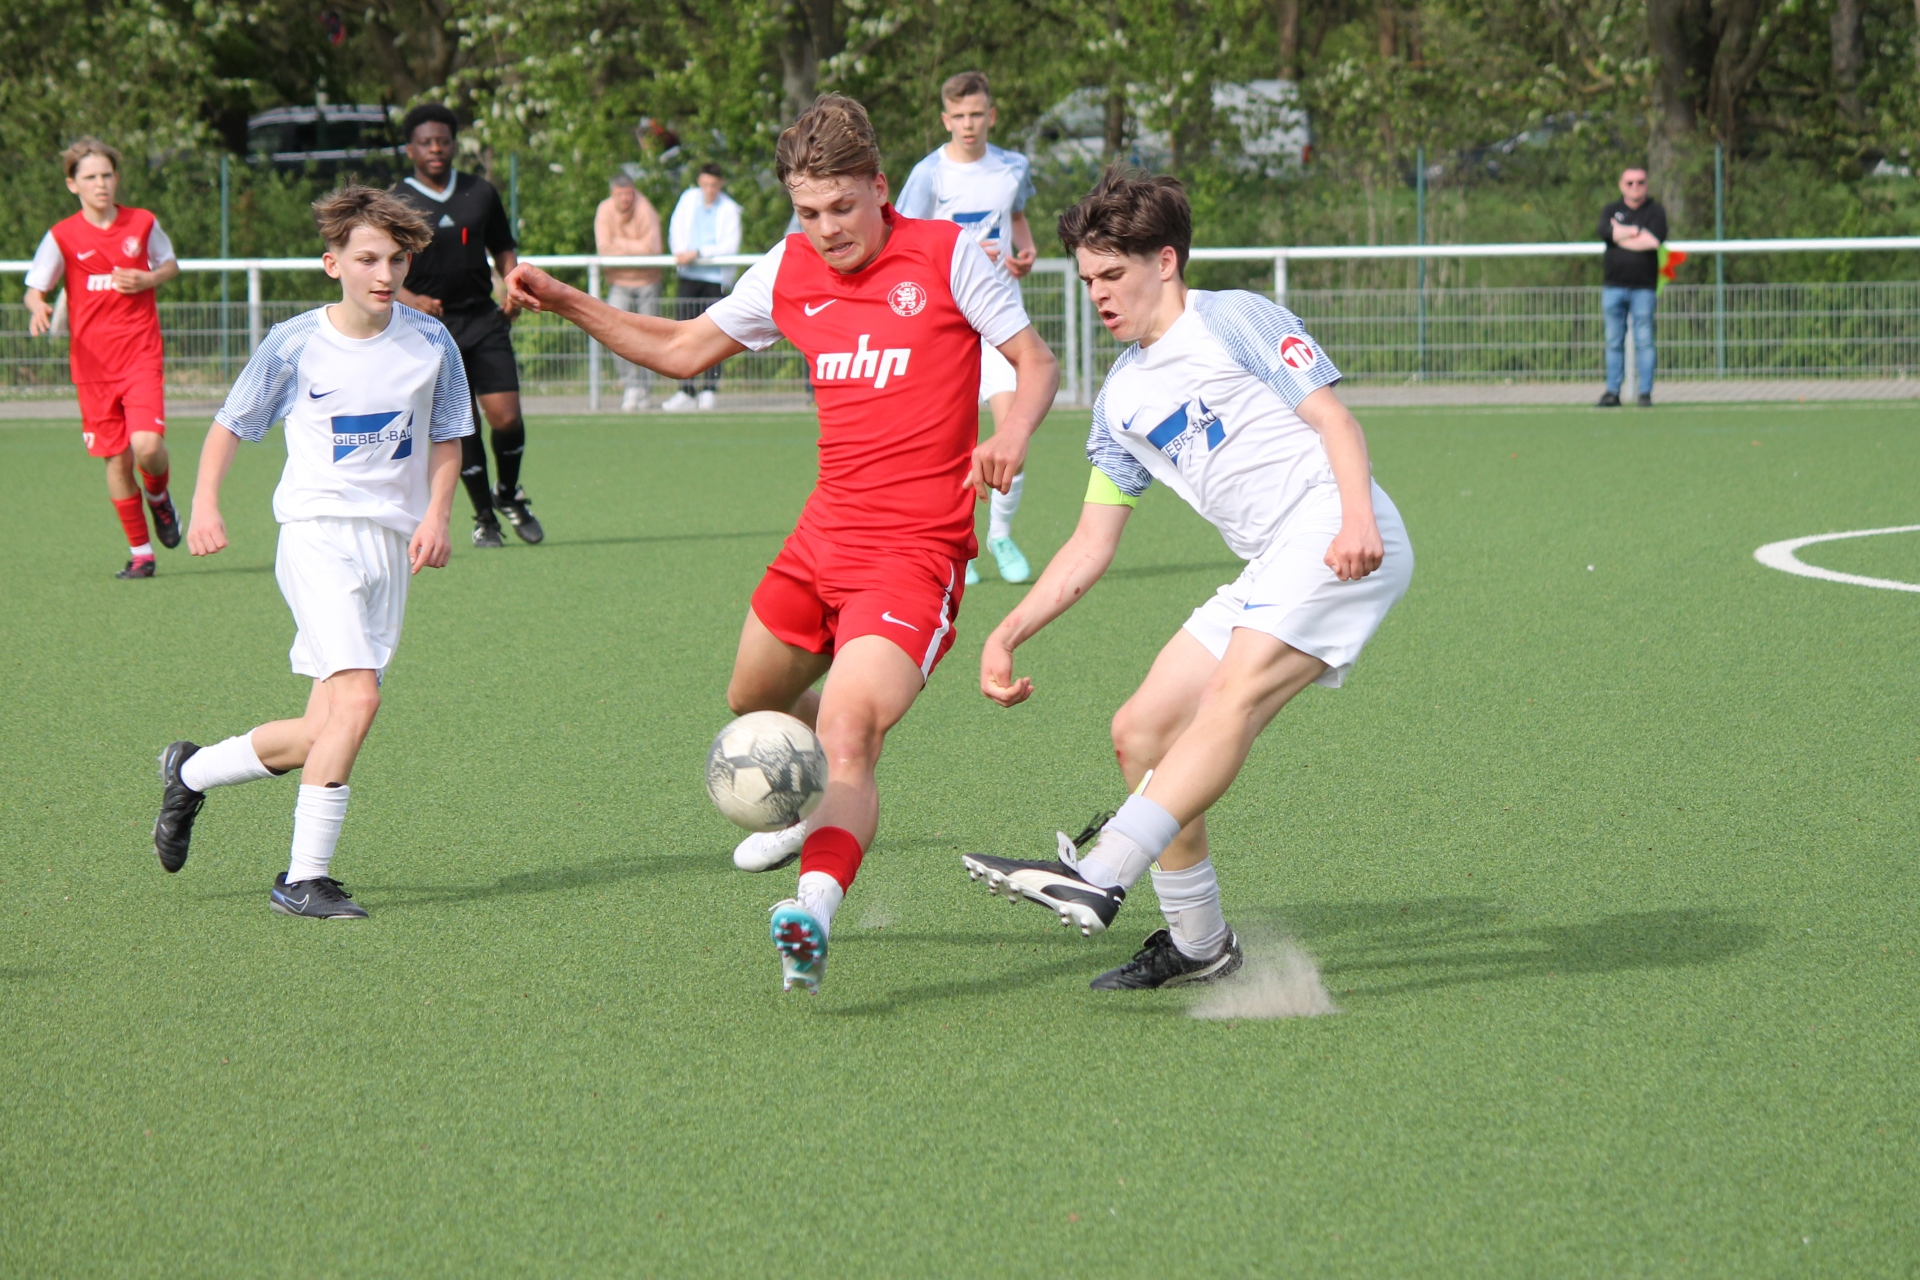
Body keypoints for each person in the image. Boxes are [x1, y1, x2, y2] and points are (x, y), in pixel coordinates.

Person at [505, 94, 1059, 991]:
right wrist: (567, 300)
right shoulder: (788, 268)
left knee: (848, 733)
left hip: (913, 555)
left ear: (881, 188)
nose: (828, 228)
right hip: (820, 540)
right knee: (753, 704)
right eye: (808, 211)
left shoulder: (948, 255)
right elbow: (682, 350)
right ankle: (806, 808)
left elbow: (1035, 361)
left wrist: (1015, 431)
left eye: (843, 206)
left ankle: (813, 911)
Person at [960, 170, 1413, 991]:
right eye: (1087, 279)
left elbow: (1334, 419)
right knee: (1142, 732)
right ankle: (1201, 944)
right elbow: (1091, 542)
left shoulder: (1232, 317)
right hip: (1270, 561)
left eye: (1112, 274)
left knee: (1231, 696)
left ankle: (1102, 870)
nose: (1098, 295)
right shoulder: (1119, 401)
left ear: (1164, 262)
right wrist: (1008, 629)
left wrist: (1357, 517)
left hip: (1331, 525)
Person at [150, 187, 470, 918]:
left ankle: (191, 772)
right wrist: (205, 504)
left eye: (396, 259)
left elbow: (449, 433)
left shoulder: (431, 341)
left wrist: (439, 515)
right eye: (367, 259)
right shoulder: (296, 341)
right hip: (317, 535)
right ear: (333, 264)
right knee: (360, 699)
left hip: (391, 545)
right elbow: (232, 422)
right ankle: (302, 879)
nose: (384, 274)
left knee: (325, 728)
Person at [896, 71, 1039, 588]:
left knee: (1011, 435)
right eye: (958, 116)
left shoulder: (1012, 167)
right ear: (945, 120)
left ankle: (1000, 535)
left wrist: (1025, 250)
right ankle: (959, 544)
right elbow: (903, 242)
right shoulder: (928, 174)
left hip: (1000, 323)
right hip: (947, 328)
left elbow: (1016, 216)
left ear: (991, 115)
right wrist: (958, 253)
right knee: (949, 447)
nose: (969, 124)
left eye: (977, 114)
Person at [23, 138, 182, 579]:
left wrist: (147, 278)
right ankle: (141, 554)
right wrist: (38, 306)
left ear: (116, 178)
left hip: (140, 355)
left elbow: (170, 264)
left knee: (147, 446)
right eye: (90, 177)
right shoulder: (62, 235)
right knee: (117, 460)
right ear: (72, 184)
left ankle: (159, 497)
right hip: (92, 367)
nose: (101, 184)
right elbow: (35, 288)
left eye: (107, 175)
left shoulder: (142, 222)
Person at [389, 103, 542, 546]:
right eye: (426, 142)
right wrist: (409, 299)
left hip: (483, 319)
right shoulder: (396, 201)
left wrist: (513, 286)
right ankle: (484, 519)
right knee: (463, 423)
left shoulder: (480, 191)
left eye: (443, 141)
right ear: (410, 149)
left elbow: (503, 247)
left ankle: (507, 493)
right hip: (428, 330)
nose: (436, 148)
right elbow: (380, 261)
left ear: (454, 145)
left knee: (506, 417)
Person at [663, 163, 743, 411]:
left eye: (714, 185)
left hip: (715, 280)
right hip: (689, 276)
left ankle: (709, 389)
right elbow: (675, 230)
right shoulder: (687, 200)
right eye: (706, 184)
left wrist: (698, 252)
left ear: (720, 185)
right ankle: (685, 390)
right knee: (682, 333)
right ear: (699, 182)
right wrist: (681, 253)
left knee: (713, 335)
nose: (709, 190)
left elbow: (729, 246)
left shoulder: (729, 209)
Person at [1596, 167, 1667, 408]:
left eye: (1640, 182)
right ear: (1621, 185)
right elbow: (1605, 232)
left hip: (1644, 287)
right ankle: (1612, 392)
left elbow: (1653, 241)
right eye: (1630, 183)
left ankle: (1644, 393)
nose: (1635, 187)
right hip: (1613, 286)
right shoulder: (1610, 210)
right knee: (1613, 341)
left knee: (1644, 340)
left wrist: (1621, 235)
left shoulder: (1655, 211)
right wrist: (1636, 232)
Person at [595, 173, 664, 412]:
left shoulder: (645, 209)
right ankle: (630, 386)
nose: (625, 199)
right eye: (620, 194)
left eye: (629, 194)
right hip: (619, 282)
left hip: (648, 282)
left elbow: (652, 248)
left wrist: (619, 244)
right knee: (615, 333)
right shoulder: (604, 210)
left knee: (649, 335)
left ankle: (645, 389)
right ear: (612, 194)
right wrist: (635, 248)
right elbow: (604, 248)